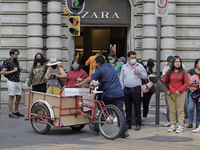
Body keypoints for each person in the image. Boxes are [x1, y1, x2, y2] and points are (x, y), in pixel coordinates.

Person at [76, 55, 129, 138]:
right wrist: (97, 84)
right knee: (120, 111)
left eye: (96, 63)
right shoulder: (110, 67)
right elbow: (108, 79)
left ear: (98, 63)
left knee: (104, 111)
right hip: (119, 92)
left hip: (109, 93)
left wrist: (80, 84)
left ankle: (96, 127)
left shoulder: (100, 69)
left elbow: (89, 78)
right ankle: (124, 131)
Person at [120, 51, 148, 131]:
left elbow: (145, 76)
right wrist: (122, 89)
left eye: (135, 57)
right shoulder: (124, 67)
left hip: (136, 89)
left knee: (137, 107)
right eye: (132, 57)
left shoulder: (139, 66)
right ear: (128, 58)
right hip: (127, 89)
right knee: (127, 108)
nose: (134, 59)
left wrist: (140, 73)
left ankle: (138, 124)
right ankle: (128, 124)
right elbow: (121, 79)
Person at [163, 56, 189, 133]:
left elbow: (186, 83)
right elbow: (164, 82)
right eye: (176, 62)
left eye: (179, 62)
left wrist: (180, 90)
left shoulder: (183, 72)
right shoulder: (168, 72)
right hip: (170, 93)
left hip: (180, 93)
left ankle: (180, 125)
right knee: (172, 110)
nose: (177, 63)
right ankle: (173, 124)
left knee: (180, 109)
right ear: (173, 63)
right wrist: (166, 91)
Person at [2, 49, 24, 118]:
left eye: (17, 54)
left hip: (17, 81)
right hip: (11, 81)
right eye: (16, 54)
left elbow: (17, 71)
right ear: (11, 55)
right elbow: (3, 72)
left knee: (19, 96)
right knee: (11, 97)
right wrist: (13, 71)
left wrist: (19, 69)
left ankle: (16, 111)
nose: (17, 56)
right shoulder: (7, 61)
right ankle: (11, 113)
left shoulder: (16, 61)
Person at [187, 58, 200, 131]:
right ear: (196, 64)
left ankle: (197, 122)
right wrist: (196, 85)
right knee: (191, 108)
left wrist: (196, 85)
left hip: (199, 93)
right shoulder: (191, 71)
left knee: (199, 108)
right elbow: (188, 82)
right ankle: (190, 122)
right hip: (192, 92)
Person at [141, 58, 155, 126]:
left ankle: (142, 119)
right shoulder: (149, 71)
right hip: (145, 90)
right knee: (145, 105)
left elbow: (152, 81)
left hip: (146, 89)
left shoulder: (147, 72)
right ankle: (143, 119)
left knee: (144, 105)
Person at [162, 55, 174, 127]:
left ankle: (176, 121)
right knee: (168, 106)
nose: (171, 63)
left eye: (172, 62)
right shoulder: (166, 69)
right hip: (168, 89)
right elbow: (164, 80)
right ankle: (169, 120)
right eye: (169, 62)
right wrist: (165, 89)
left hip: (175, 90)